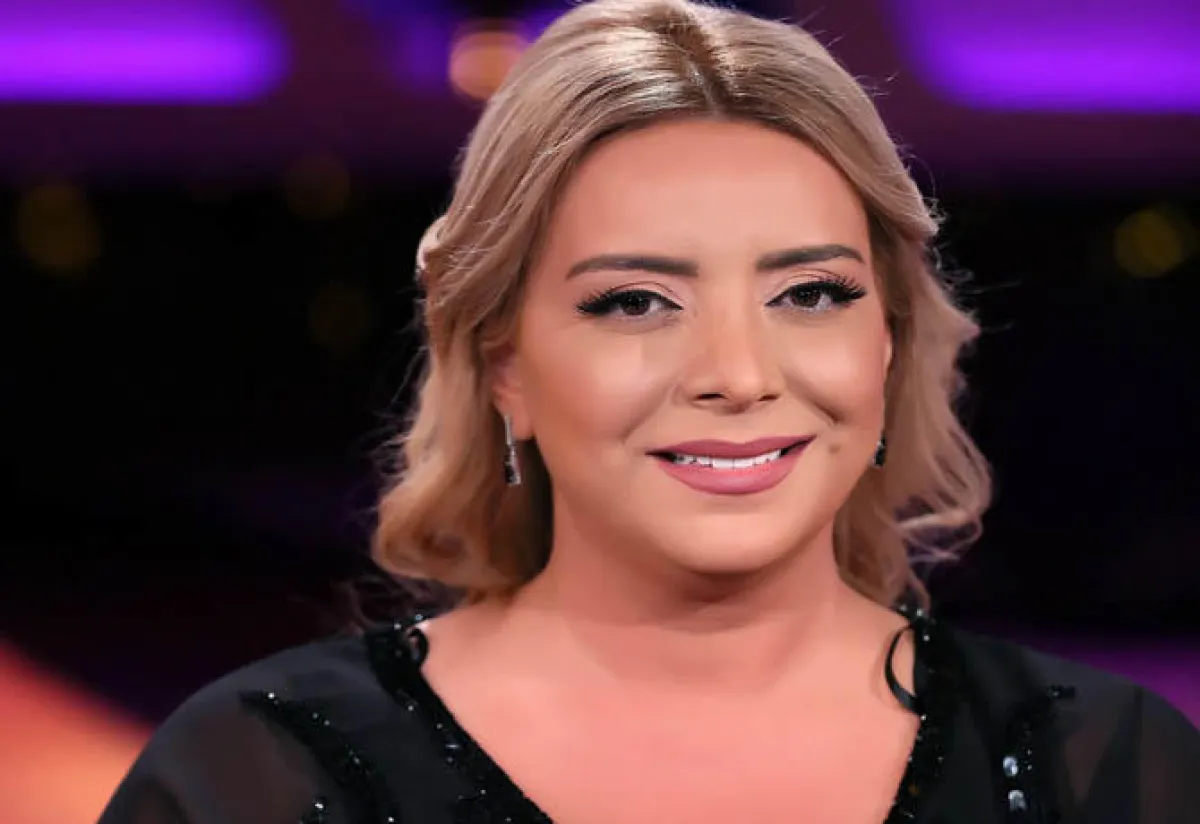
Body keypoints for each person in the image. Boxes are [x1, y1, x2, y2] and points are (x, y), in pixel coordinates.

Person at [98, 1, 1199, 822]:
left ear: (888, 344)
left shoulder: (1105, 767)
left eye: (810, 293)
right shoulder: (257, 774)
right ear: (504, 366)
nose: (737, 372)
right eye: (635, 302)